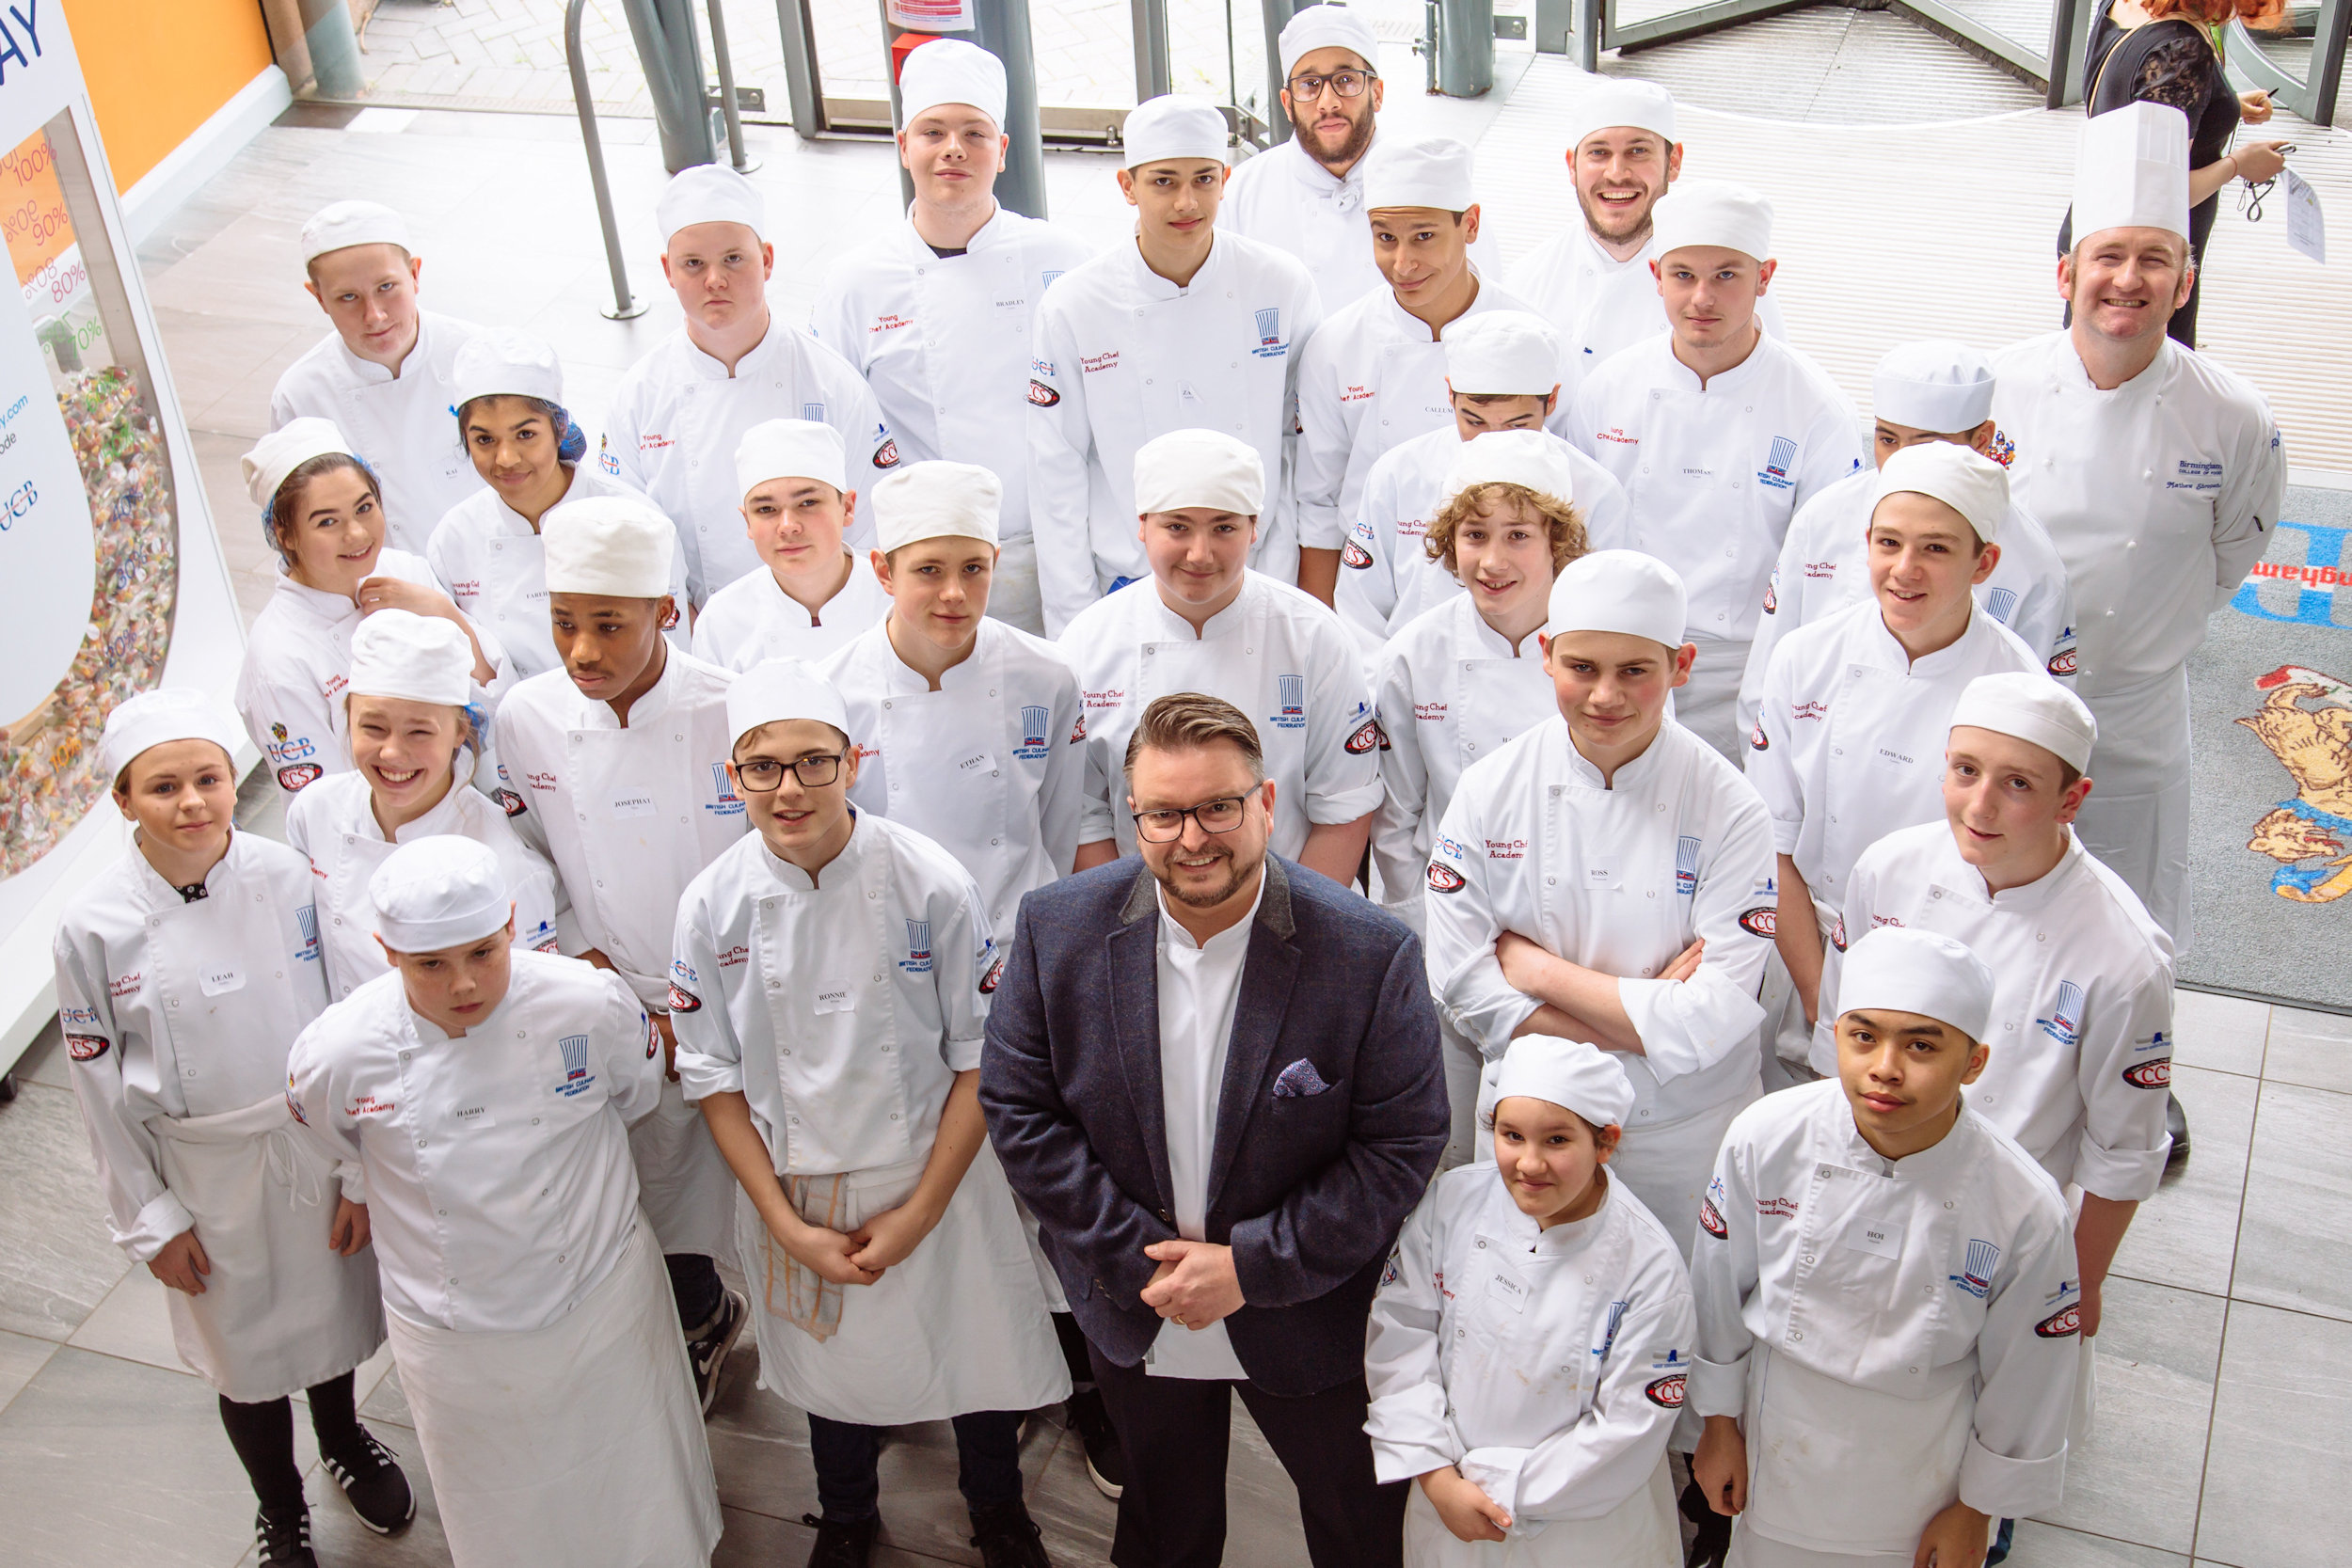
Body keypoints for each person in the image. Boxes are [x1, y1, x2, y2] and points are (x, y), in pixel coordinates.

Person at [979, 693, 1450, 1568]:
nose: (1192, 838)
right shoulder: (1056, 929)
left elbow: (1402, 1145)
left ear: (1266, 802)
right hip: (1139, 1304)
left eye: (1218, 807)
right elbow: (1018, 1108)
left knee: (1358, 1527)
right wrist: (1139, 1259)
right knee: (1164, 1531)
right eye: (1164, 814)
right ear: (1134, 817)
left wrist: (1250, 1267)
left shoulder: (1368, 951)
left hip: (1308, 1313)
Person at [673, 659, 1065, 1568]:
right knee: (830, 1371)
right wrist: (785, 1226)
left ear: (853, 762)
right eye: (762, 766)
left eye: (814, 761)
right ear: (733, 778)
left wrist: (921, 1210)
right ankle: (846, 1512)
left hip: (939, 1173)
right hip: (797, 1187)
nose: (789, 788)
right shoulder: (712, 906)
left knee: (974, 1357)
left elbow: (980, 1058)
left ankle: (998, 1509)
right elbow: (714, 1082)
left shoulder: (931, 882)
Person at [284, 838, 722, 1567]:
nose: (464, 983)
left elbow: (638, 1091)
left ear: (512, 923)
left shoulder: (587, 1002)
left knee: (637, 1483)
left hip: (602, 1298)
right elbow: (330, 1139)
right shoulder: (339, 1052)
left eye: (483, 952)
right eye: (431, 964)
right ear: (387, 952)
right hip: (453, 1333)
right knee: (503, 1507)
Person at [55, 691, 405, 1568]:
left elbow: (344, 1016)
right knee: (242, 1355)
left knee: (328, 1315)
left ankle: (343, 1437)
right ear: (123, 799)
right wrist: (150, 1220)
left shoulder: (287, 876)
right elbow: (97, 1088)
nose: (192, 803)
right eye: (163, 786)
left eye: (208, 779)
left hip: (307, 1143)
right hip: (200, 1174)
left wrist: (357, 1169)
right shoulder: (91, 926)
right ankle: (279, 1503)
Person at [817, 460, 1113, 1493]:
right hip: (891, 983)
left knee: (1047, 1188)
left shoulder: (1045, 677)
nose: (953, 593)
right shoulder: (834, 692)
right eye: (928, 569)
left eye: (974, 569)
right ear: (881, 568)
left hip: (1022, 970)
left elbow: (1069, 832)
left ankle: (1081, 1381)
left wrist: (1066, 972)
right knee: (925, 1192)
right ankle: (926, 1386)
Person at [1817, 674, 2172, 1456]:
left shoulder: (2123, 956)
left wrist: (2076, 1287)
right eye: (1965, 771)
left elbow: (2122, 1154)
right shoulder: (1888, 870)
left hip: (2006, 1235)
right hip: (1864, 1192)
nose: (1978, 806)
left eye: (2017, 785)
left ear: (2071, 799)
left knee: (1977, 1441)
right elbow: (1834, 1047)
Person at [1689, 927, 2080, 1568]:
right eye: (1863, 1036)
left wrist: (1977, 1508)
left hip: (1919, 1480)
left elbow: (2029, 1373)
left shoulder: (2024, 1205)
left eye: (1921, 1045)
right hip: (1774, 1449)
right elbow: (1717, 1292)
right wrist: (1717, 1422)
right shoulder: (1766, 1136)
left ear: (1974, 1063)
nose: (1885, 1069)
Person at [1992, 99, 2285, 946]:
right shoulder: (1996, 387)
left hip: (2136, 715)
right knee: (1991, 910)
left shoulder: (2234, 415)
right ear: (2066, 275)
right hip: (2004, 699)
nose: (2128, 279)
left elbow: (2232, 556)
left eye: (2154, 259)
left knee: (2128, 927)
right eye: (2108, 256)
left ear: (2185, 283)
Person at [1422, 551, 1775, 1253]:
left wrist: (1538, 972)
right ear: (1547, 656)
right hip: (1532, 1127)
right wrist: (1647, 1019)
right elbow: (1460, 982)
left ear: (1681, 665)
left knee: (1685, 1310)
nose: (1605, 695)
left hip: (1678, 1132)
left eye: (1634, 671)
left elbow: (1713, 1016)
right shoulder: (1491, 789)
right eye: (1582, 667)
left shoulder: (1732, 809)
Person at [491, 496, 748, 1409]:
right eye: (563, 623)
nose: (581, 651)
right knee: (653, 1181)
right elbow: (529, 856)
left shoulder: (731, 708)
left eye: (609, 625)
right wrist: (596, 966)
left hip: (739, 990)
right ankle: (698, 1316)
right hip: (613, 989)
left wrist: (701, 1002)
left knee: (762, 1184)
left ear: (666, 612)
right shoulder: (526, 716)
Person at [1746, 443, 2048, 1055]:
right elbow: (1770, 844)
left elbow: (2013, 876)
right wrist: (1824, 1001)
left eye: (1935, 549)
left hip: (1947, 975)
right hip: (1805, 947)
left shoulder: (2017, 692)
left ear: (1984, 562)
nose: (1904, 569)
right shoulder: (1805, 657)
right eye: (1889, 543)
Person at [1365, 1037, 1692, 1566]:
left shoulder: (1649, 1265)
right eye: (1511, 1135)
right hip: (1448, 1507)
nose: (1530, 1163)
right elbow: (1400, 1335)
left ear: (1605, 1143)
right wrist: (1436, 1476)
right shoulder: (1451, 1203)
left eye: (1557, 1140)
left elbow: (1629, 1429)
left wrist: (1495, 1487)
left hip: (1585, 1532)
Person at [1567, 181, 1864, 760]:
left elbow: (1831, 570)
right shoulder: (1608, 389)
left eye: (1726, 275)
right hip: (1618, 657)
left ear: (1765, 277)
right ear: (1656, 276)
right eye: (1683, 275)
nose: (1701, 298)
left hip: (1744, 671)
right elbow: (1575, 530)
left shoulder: (1818, 410)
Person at [811, 38, 1090, 635]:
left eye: (975, 133)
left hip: (1046, 553)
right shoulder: (855, 282)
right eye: (933, 132)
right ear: (903, 146)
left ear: (1003, 151)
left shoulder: (1064, 260)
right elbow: (838, 435)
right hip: (919, 562)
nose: (953, 150)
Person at [1026, 93, 1324, 634]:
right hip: (1126, 582)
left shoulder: (1280, 284)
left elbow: (1298, 441)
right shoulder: (1074, 305)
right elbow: (1056, 468)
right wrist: (1074, 622)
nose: (1187, 202)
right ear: (1128, 186)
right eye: (1164, 182)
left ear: (1225, 180)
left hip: (1257, 573)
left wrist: (1285, 571)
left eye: (1203, 179)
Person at [1058, 430, 1381, 886]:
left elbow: (1344, 808)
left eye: (1224, 528)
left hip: (1289, 899)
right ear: (1142, 525)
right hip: (1137, 904)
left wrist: (1293, 922)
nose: (1200, 554)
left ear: (1254, 529)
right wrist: (1133, 918)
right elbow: (1082, 815)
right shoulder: (1088, 643)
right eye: (1177, 527)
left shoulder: (1314, 637)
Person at [1737, 341, 2076, 739]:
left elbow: (2038, 720)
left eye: (1925, 443)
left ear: (1983, 439)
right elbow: (1767, 672)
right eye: (1887, 440)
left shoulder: (2032, 561)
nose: (1901, 460)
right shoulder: (1824, 516)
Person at [602, 164, 895, 607]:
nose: (715, 280)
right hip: (693, 625)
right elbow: (627, 534)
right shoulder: (638, 397)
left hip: (824, 619)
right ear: (667, 270)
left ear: (768, 260)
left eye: (733, 259)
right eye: (693, 264)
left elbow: (876, 527)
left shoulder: (832, 384)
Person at [1295, 137, 1558, 607]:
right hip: (1373, 591)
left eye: (1423, 237)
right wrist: (1319, 626)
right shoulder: (1336, 346)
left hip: (1509, 592)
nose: (1403, 263)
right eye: (1385, 238)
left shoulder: (1533, 339)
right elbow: (1319, 506)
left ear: (1470, 224)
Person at [1369, 431, 1591, 944]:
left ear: (1557, 542)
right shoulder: (1414, 654)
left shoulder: (1606, 644)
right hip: (1454, 906)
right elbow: (1397, 816)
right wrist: (1422, 928)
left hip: (1580, 908)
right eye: (1474, 535)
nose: (1492, 562)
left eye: (1518, 536)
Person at [285, 609, 560, 1001]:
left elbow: (522, 1008)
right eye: (373, 727)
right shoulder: (315, 810)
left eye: (419, 732)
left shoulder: (506, 867)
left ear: (460, 731)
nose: (392, 752)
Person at [234, 419, 501, 800]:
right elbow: (326, 804)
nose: (357, 534)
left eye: (364, 508)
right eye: (327, 521)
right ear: (284, 533)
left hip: (476, 798)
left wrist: (443, 611)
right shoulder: (278, 660)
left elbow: (495, 700)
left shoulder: (402, 570)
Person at [1337, 311, 1628, 650]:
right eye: (1475, 422)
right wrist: (1388, 678)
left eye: (1517, 426)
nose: (1494, 440)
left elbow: (1609, 614)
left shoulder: (1597, 491)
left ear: (1551, 400)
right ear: (1450, 394)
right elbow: (1360, 611)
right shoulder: (1398, 473)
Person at [426, 328, 688, 680]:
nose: (506, 459)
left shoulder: (636, 520)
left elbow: (674, 659)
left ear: (560, 427)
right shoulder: (454, 539)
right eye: (485, 439)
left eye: (525, 434)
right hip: (512, 713)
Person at [2061, 0, 2291, 348]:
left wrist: (2219, 102)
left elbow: (2133, 95)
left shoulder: (2128, 6)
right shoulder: (2180, 50)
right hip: (2145, 265)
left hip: (2097, 229)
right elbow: (2159, 192)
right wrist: (2240, 164)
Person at [270, 200, 485, 552]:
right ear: (319, 298)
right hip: (379, 580)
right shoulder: (302, 395)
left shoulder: (478, 355)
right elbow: (299, 530)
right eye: (348, 297)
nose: (374, 316)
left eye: (386, 287)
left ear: (414, 274)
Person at [690, 420, 892, 672]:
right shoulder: (721, 620)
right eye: (766, 509)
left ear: (848, 507)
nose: (787, 526)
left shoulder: (895, 599)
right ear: (748, 522)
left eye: (808, 503)